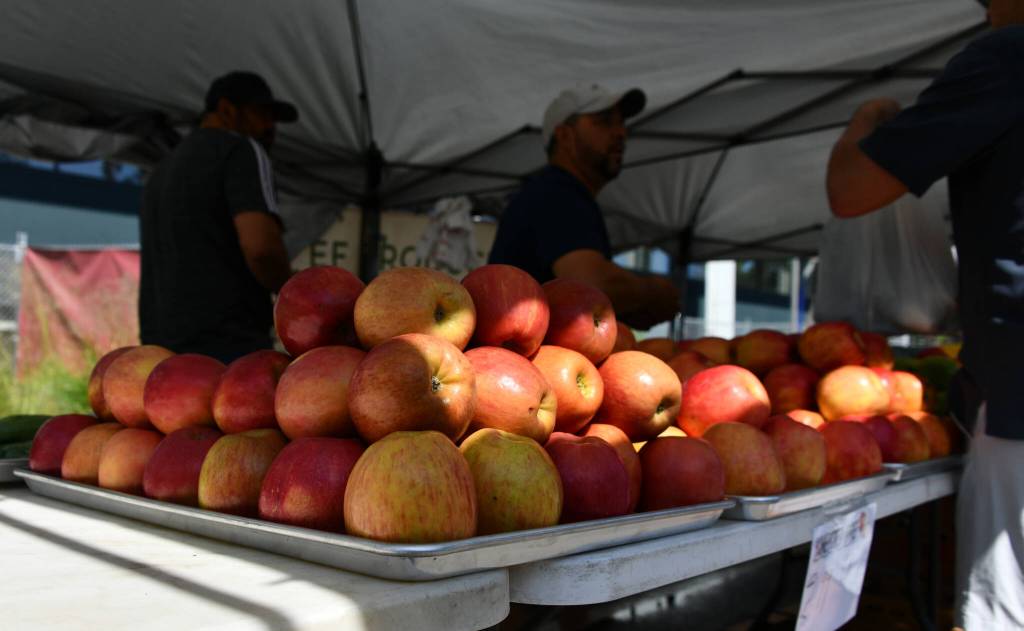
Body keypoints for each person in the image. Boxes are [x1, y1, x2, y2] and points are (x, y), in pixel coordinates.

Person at [825, 3, 1024, 628]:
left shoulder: (1007, 58)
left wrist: (868, 121)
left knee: (1004, 612)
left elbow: (852, 188)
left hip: (1020, 399)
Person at [488, 83, 680, 330]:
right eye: (604, 121)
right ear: (565, 136)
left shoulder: (558, 192)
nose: (620, 132)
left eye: (621, 123)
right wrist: (653, 291)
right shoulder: (558, 193)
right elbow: (590, 285)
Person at [139, 71, 296, 363]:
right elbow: (261, 248)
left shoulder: (162, 169)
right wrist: (297, 296)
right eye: (262, 114)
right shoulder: (242, 150)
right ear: (226, 110)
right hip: (226, 346)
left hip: (158, 350)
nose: (270, 127)